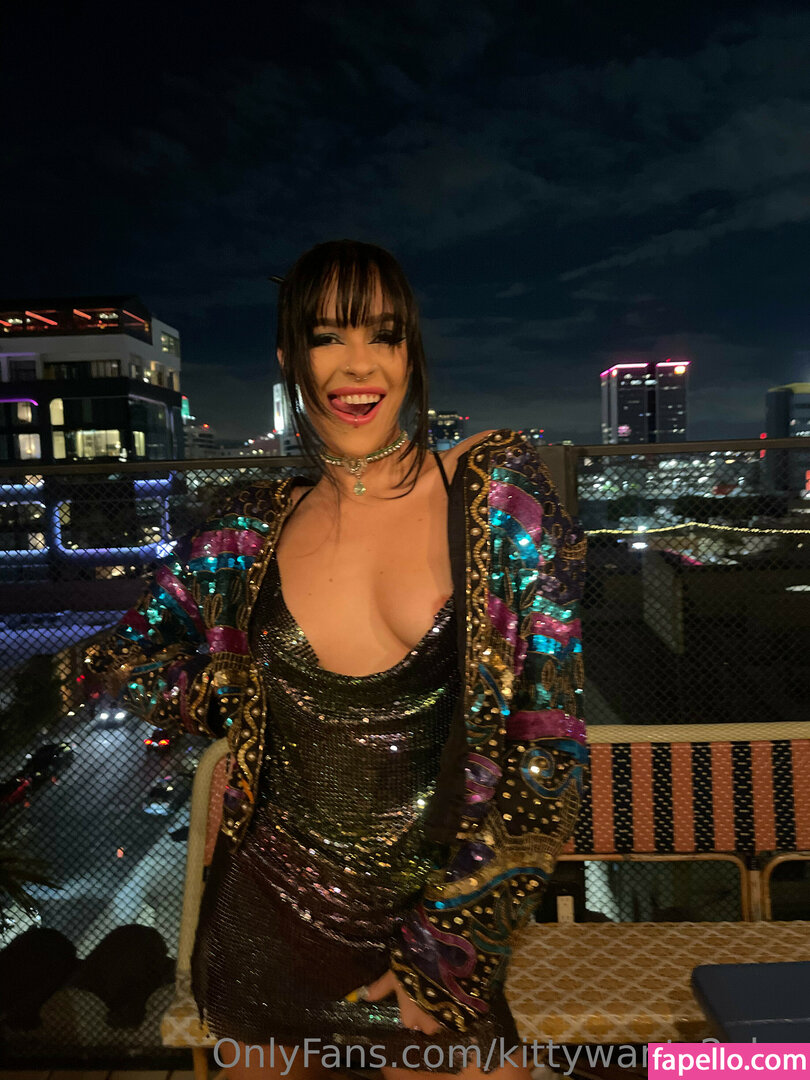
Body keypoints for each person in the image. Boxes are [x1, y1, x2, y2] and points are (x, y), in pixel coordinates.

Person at [84, 239, 589, 1080]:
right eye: (328, 337)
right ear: (291, 358)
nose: (360, 366)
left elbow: (550, 746)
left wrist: (449, 947)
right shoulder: (246, 527)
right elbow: (120, 655)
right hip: (263, 940)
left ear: (410, 351)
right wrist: (229, 694)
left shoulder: (496, 496)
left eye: (384, 335)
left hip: (435, 942)